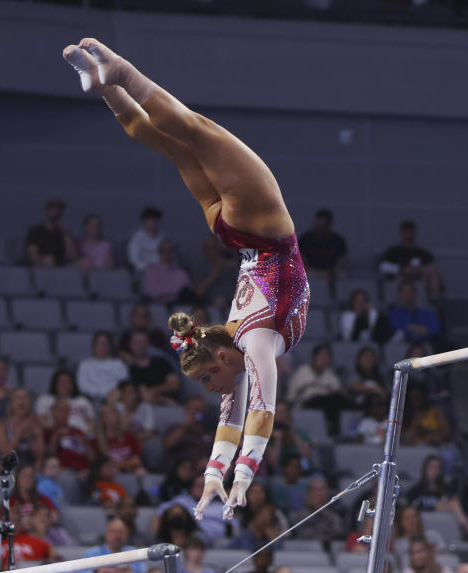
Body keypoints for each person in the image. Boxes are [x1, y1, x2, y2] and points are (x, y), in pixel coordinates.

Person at [62, 37, 310, 519]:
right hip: (255, 226)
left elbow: (237, 413)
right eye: (208, 379)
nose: (211, 389)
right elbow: (261, 408)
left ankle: (108, 84)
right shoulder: (256, 344)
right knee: (190, 132)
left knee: (179, 143)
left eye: (206, 380)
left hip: (245, 231)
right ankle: (114, 76)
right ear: (222, 356)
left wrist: (222, 475)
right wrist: (234, 476)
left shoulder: (242, 344)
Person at [404, 455, 468, 543]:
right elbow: (411, 508)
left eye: (438, 468)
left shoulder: (447, 489)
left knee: (455, 503)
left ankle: (466, 533)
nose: (435, 471)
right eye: (432, 467)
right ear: (425, 469)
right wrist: (436, 506)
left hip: (444, 524)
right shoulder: (416, 490)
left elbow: (456, 504)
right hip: (423, 519)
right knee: (453, 504)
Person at [286, 344, 347, 436]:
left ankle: (335, 433)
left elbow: (337, 392)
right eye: (321, 355)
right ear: (313, 357)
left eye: (327, 356)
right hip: (305, 405)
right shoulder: (302, 372)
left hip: (325, 405)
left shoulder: (330, 375)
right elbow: (291, 397)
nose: (324, 359)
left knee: (337, 399)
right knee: (319, 400)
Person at [378, 219, 442, 303]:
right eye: (406, 232)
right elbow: (382, 267)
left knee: (432, 270)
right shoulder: (393, 252)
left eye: (411, 232)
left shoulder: (423, 253)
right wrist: (403, 269)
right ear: (401, 233)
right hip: (399, 281)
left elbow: (431, 267)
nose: (408, 235)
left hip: (419, 281)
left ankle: (434, 300)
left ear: (415, 233)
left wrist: (419, 270)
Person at [80, 519, 146, 573]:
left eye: (121, 532)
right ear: (106, 534)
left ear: (127, 535)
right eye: (113, 531)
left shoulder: (135, 553)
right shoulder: (92, 553)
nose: (117, 535)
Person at [127, 330, 180, 405]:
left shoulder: (161, 362)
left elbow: (175, 384)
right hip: (141, 407)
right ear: (130, 345)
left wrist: (153, 390)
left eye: (142, 342)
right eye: (136, 342)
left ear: (148, 344)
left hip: (167, 405)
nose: (139, 345)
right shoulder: (128, 368)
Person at [36, 369, 96, 434]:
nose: (64, 385)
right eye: (61, 381)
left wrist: (85, 435)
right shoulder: (45, 400)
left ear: (73, 384)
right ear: (55, 383)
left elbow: (91, 422)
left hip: (80, 436)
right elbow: (41, 422)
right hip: (54, 434)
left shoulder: (83, 401)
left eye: (67, 382)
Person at [0, 388, 45, 464]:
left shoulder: (36, 425)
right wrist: (19, 433)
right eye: (18, 397)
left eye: (25, 397)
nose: (22, 400)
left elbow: (40, 455)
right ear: (11, 403)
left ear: (30, 403)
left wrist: (33, 437)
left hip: (29, 466)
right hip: (7, 465)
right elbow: (5, 451)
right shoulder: (1, 425)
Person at [387, 280, 442, 347]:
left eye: (410, 291)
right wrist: (423, 329)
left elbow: (435, 330)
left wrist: (410, 328)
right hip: (403, 346)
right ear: (399, 294)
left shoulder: (428, 313)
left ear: (415, 293)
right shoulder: (393, 314)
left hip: (428, 345)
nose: (408, 295)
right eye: (405, 292)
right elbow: (397, 329)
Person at [77, 332, 129, 402]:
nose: (102, 346)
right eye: (100, 343)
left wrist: (111, 395)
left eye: (105, 344)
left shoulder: (119, 364)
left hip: (114, 400)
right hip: (90, 400)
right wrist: (102, 394)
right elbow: (83, 386)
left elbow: (123, 384)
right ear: (94, 346)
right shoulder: (85, 364)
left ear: (110, 346)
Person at [298, 208, 347, 282]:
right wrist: (318, 274)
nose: (317, 227)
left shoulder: (338, 241)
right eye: (316, 223)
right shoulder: (305, 240)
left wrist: (330, 273)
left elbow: (339, 265)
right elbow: (302, 263)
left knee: (342, 276)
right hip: (310, 275)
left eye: (321, 225)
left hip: (332, 276)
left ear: (328, 226)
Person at [26, 197, 77, 266]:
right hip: (40, 270)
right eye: (53, 209)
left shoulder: (63, 233)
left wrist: (65, 232)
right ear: (47, 211)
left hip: (60, 269)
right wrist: (44, 261)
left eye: (59, 210)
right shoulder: (35, 232)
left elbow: (72, 255)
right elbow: (33, 256)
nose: (56, 212)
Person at [140, 240, 195, 304]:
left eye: (170, 250)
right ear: (159, 252)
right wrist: (175, 293)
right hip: (156, 307)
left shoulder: (182, 273)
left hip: (179, 308)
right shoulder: (150, 271)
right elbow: (152, 292)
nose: (167, 253)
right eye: (164, 250)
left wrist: (165, 292)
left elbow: (188, 293)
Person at [95, 403, 144, 473]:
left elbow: (137, 461)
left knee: (141, 471)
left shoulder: (130, 436)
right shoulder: (98, 441)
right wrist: (126, 464)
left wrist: (120, 465)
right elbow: (100, 465)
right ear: (102, 420)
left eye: (112, 414)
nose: (110, 418)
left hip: (129, 471)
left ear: (118, 416)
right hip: (108, 474)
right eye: (106, 416)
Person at [195, 235, 238, 308]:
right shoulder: (201, 267)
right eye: (207, 248)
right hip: (209, 308)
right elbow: (199, 292)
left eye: (213, 248)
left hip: (232, 306)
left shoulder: (231, 265)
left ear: (219, 248)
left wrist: (235, 268)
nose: (209, 251)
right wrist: (215, 272)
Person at [292, 477, 342, 542]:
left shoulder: (335, 518)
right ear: (308, 494)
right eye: (314, 490)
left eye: (322, 489)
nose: (319, 493)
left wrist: (323, 513)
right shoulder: (296, 517)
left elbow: (339, 538)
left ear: (327, 493)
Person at [348, 345, 388, 411]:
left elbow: (385, 392)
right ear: (358, 359)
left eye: (371, 357)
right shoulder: (354, 374)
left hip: (378, 409)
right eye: (365, 357)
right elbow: (353, 386)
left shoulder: (380, 376)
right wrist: (374, 389)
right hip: (358, 407)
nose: (368, 360)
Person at [127, 206, 165, 273]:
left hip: (161, 271)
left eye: (154, 221)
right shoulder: (136, 238)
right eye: (149, 221)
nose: (152, 224)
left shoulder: (162, 238)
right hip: (142, 272)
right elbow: (133, 260)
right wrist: (148, 269)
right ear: (144, 222)